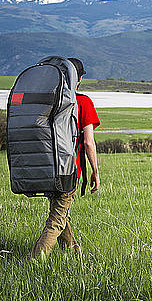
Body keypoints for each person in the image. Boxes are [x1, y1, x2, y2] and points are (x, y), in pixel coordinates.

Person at [31, 57, 100, 258]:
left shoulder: (47, 101)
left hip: (46, 168)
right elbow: (88, 142)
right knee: (57, 218)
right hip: (68, 170)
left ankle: (73, 251)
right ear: (77, 80)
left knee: (60, 211)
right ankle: (35, 261)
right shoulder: (83, 102)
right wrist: (95, 171)